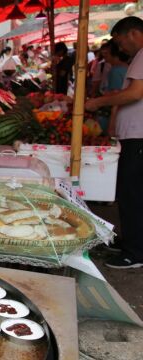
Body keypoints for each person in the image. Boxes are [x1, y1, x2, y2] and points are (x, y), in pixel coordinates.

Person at [85, 16, 143, 269]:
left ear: (132, 33)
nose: (121, 48)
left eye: (120, 41)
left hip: (138, 136)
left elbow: (135, 93)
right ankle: (132, 241)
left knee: (133, 193)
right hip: (134, 135)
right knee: (130, 192)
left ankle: (135, 253)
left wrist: (98, 103)